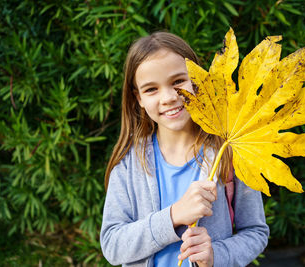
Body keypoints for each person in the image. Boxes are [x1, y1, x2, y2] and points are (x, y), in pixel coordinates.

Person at [100, 31, 269, 267]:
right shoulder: (128, 165)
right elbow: (112, 244)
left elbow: (255, 232)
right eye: (151, 89)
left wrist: (215, 256)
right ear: (138, 98)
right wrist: (173, 217)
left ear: (197, 80)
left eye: (178, 81)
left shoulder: (229, 153)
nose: (168, 97)